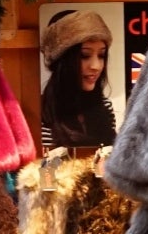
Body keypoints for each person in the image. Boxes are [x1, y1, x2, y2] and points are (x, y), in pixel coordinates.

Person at [38, 9, 117, 151]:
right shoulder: (40, 111)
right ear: (61, 60)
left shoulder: (104, 106)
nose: (96, 66)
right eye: (84, 55)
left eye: (101, 55)